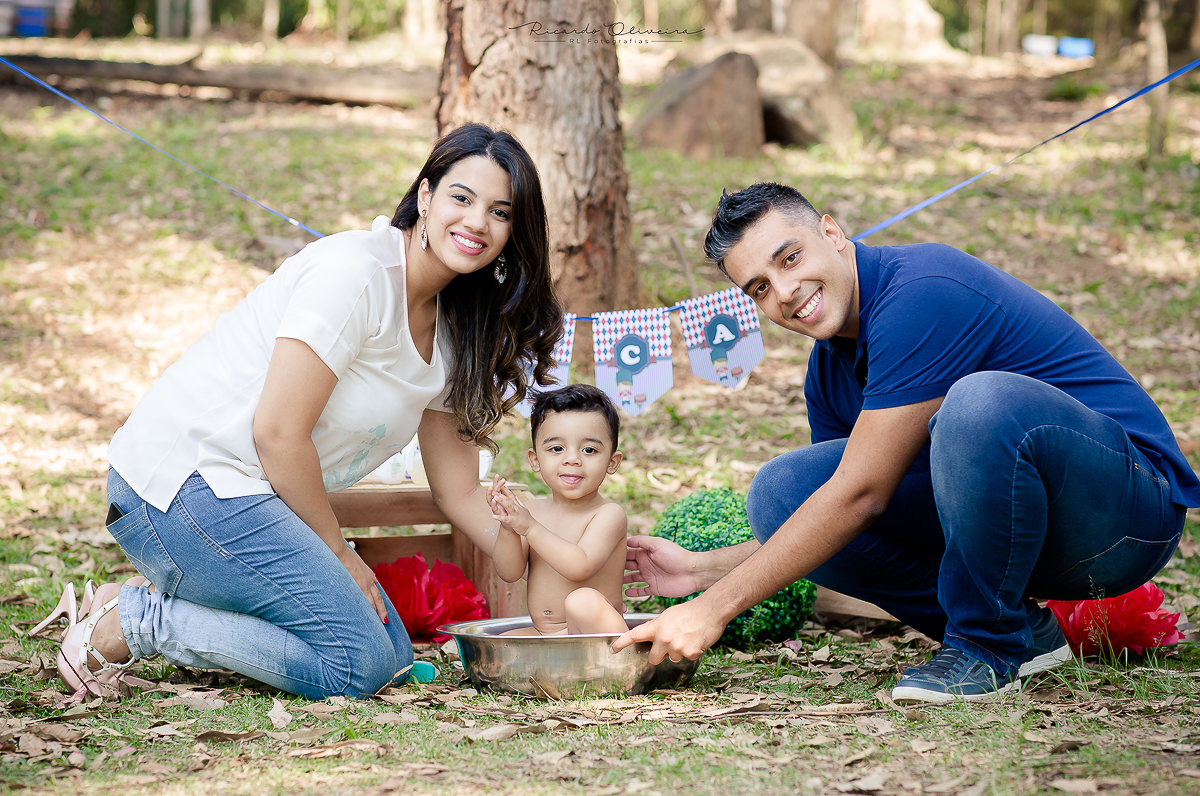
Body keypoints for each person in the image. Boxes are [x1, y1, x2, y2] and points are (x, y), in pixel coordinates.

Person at [614, 182, 1199, 703]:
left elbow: (858, 495)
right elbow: (844, 515)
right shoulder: (828, 371)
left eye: (790, 258)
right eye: (761, 287)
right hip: (1019, 537)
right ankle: (1020, 632)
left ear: (832, 233)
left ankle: (987, 644)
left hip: (1124, 515)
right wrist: (702, 574)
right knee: (784, 491)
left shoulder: (922, 291)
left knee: (978, 405)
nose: (786, 292)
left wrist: (712, 611)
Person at [39, 124, 564, 701]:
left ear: (514, 232)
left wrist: (533, 545)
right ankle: (138, 620)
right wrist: (340, 554)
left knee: (389, 655)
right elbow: (278, 434)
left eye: (499, 211)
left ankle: (186, 590)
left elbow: (458, 488)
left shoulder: (456, 328)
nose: (475, 223)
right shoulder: (356, 273)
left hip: (255, 499)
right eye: (461, 198)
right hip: (184, 486)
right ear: (424, 197)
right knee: (354, 665)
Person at [489, 385, 629, 635]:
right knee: (504, 640)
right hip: (548, 634)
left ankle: (622, 662)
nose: (572, 459)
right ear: (535, 459)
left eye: (589, 450)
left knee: (582, 601)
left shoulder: (608, 514)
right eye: (556, 449)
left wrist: (529, 527)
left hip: (595, 633)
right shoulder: (532, 510)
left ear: (612, 462)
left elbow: (580, 566)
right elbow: (509, 573)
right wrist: (509, 526)